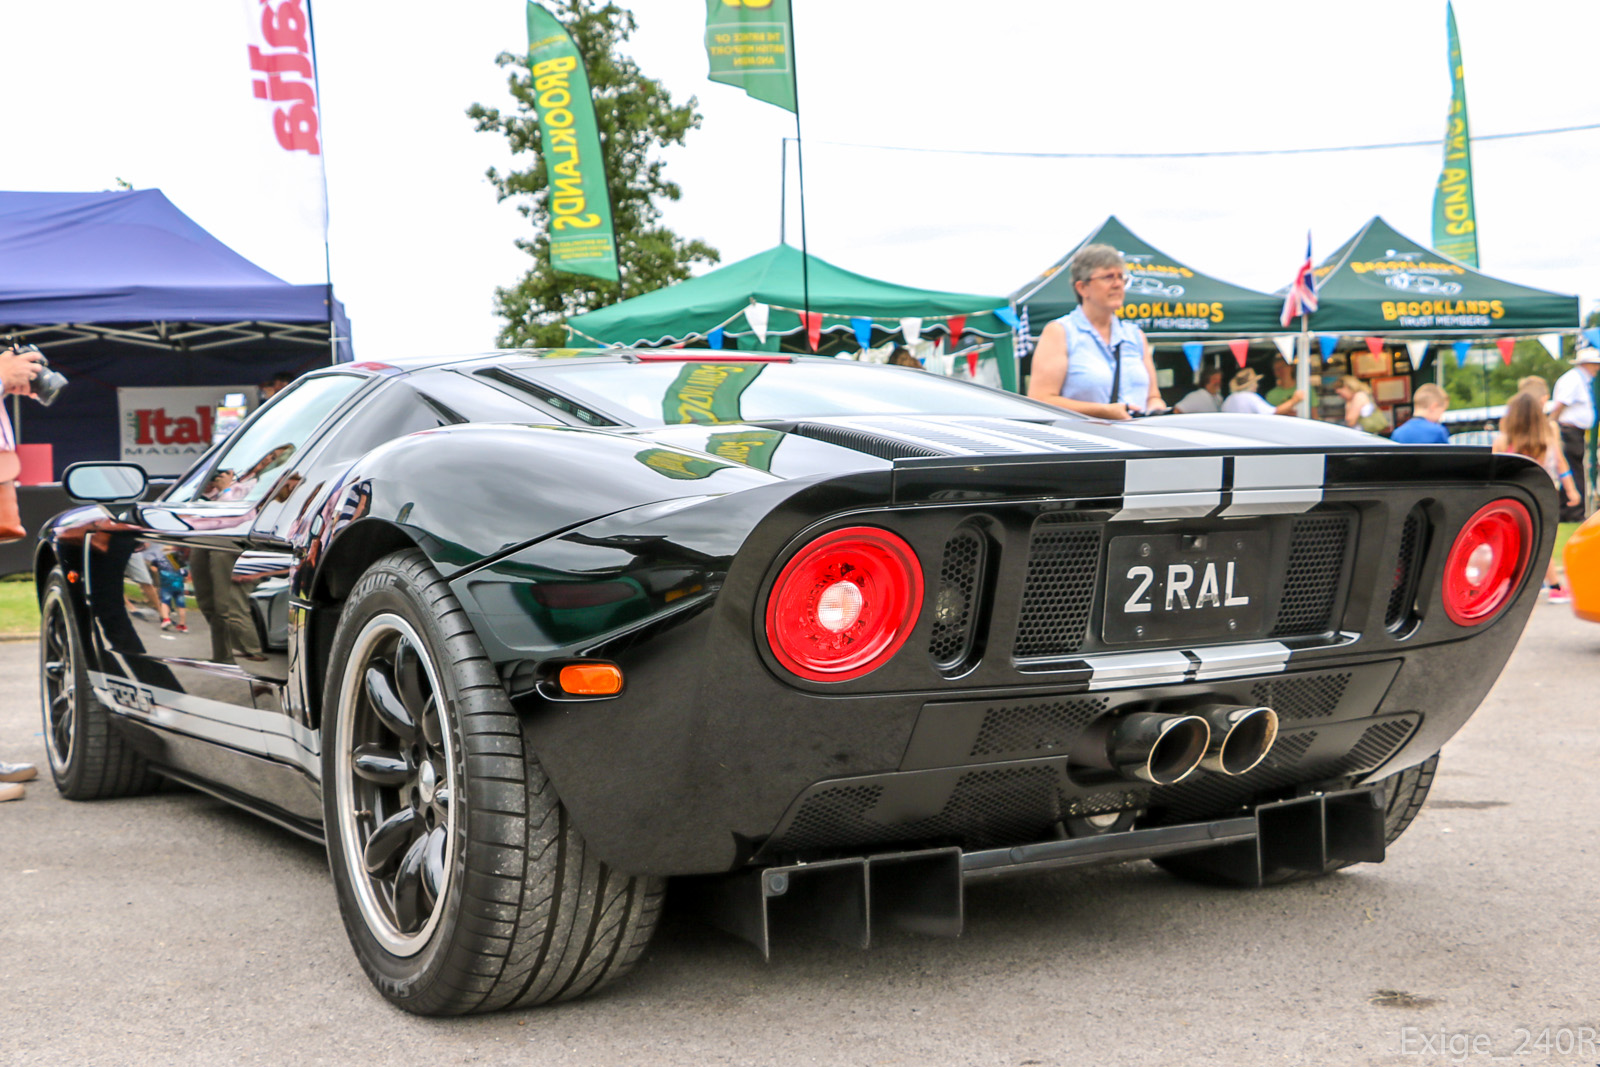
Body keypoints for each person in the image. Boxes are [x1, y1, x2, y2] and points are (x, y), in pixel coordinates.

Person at [1026, 244, 1168, 419]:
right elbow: (1040, 399)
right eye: (1108, 277)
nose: (1117, 284)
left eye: (1121, 278)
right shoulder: (1060, 332)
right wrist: (1103, 411)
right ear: (1082, 288)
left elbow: (1153, 397)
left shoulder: (1135, 335)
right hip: (1088, 443)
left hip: (1138, 442)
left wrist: (1156, 409)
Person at [1494, 390, 1581, 600]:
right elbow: (1561, 463)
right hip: (1545, 496)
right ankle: (1555, 587)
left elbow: (1495, 469)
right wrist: (1571, 489)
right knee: (1541, 541)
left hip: (1514, 497)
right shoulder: (1548, 437)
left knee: (1513, 541)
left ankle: (1509, 586)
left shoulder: (1504, 440)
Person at [1549, 348, 1598, 523]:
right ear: (1587, 364)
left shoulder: (1580, 379)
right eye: (1595, 364)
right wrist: (1550, 424)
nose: (1597, 368)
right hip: (1569, 430)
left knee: (1574, 468)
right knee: (1572, 469)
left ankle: (1570, 510)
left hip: (1574, 431)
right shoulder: (1574, 379)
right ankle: (1573, 511)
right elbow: (1561, 404)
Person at [1221, 367, 1303, 415]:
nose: (1257, 385)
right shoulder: (1251, 397)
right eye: (1255, 382)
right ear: (1251, 384)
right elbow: (1273, 412)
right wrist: (1294, 400)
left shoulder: (1228, 400)